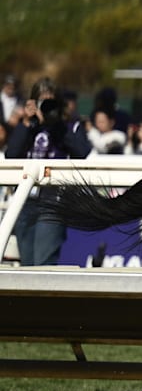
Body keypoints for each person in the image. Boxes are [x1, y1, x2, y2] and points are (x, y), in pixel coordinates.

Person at [5, 78, 92, 265]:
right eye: (41, 102)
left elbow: (82, 152)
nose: (45, 107)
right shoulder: (29, 126)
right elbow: (11, 154)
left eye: (50, 102)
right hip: (25, 200)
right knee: (26, 265)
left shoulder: (70, 125)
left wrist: (56, 123)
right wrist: (27, 123)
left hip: (53, 202)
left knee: (43, 263)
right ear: (32, 104)